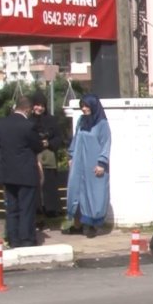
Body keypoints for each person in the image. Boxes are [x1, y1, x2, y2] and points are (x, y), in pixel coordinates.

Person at [0, 95, 44, 248]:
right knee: (26, 207)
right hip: (26, 172)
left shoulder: (1, 124)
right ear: (28, 109)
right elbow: (38, 146)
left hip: (8, 171)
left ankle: (12, 237)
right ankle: (26, 239)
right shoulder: (28, 125)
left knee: (11, 207)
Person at [64, 94, 111, 238]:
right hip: (79, 163)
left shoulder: (102, 124)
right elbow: (76, 138)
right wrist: (71, 155)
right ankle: (79, 224)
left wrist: (102, 163)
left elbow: (106, 143)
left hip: (94, 164)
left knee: (94, 194)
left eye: (86, 106)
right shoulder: (81, 121)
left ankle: (93, 226)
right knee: (77, 191)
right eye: (82, 106)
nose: (84, 109)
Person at [30, 90, 63, 226]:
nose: (39, 108)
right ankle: (36, 216)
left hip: (48, 159)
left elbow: (59, 138)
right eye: (37, 105)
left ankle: (49, 214)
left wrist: (48, 143)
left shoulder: (51, 120)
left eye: (42, 105)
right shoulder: (28, 120)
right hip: (33, 159)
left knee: (48, 189)